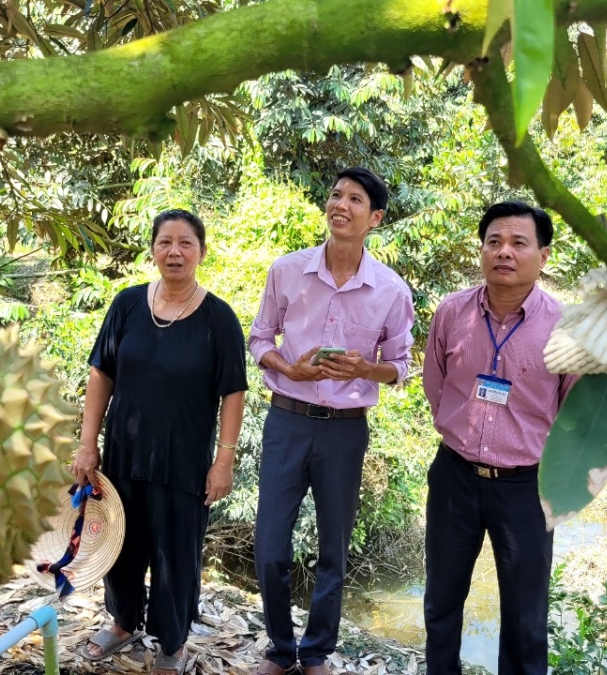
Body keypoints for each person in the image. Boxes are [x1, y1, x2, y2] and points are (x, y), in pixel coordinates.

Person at [248, 167, 415, 675]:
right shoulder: (287, 271)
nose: (340, 205)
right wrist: (288, 366)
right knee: (271, 546)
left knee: (333, 549)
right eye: (336, 195)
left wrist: (368, 368)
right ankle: (280, 649)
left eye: (355, 199)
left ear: (375, 218)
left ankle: (316, 651)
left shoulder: (390, 289)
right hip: (286, 421)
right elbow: (259, 340)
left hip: (345, 430)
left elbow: (402, 367)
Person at [71, 209, 249, 675]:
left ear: (201, 252)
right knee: (122, 544)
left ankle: (171, 643)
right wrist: (88, 444)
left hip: (184, 460)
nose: (175, 252)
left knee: (176, 552)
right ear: (152, 249)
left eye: (186, 243)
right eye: (165, 242)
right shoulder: (127, 305)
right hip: (126, 453)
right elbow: (101, 373)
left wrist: (223, 461)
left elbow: (234, 392)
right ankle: (123, 622)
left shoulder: (218, 318)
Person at [421, 201, 577, 675]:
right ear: (482, 250)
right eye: (494, 241)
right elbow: (436, 383)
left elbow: (572, 410)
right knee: (441, 601)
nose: (503, 252)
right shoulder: (452, 312)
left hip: (528, 487)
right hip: (455, 476)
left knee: (526, 617)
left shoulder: (565, 326)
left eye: (518, 243)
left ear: (543, 256)